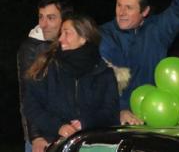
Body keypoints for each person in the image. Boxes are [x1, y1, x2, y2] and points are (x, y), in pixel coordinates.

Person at [23, 14, 119, 150]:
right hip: (54, 143)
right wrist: (58, 127)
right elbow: (31, 106)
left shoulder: (104, 73)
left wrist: (86, 122)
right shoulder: (47, 67)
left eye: (67, 33)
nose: (61, 39)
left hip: (93, 145)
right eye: (61, 33)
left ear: (84, 38)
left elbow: (111, 113)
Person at [17, 0, 74, 152]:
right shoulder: (32, 47)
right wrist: (36, 137)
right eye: (41, 17)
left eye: (50, 18)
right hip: (45, 138)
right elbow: (28, 97)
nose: (43, 24)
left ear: (65, 19)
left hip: (73, 132)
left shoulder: (76, 43)